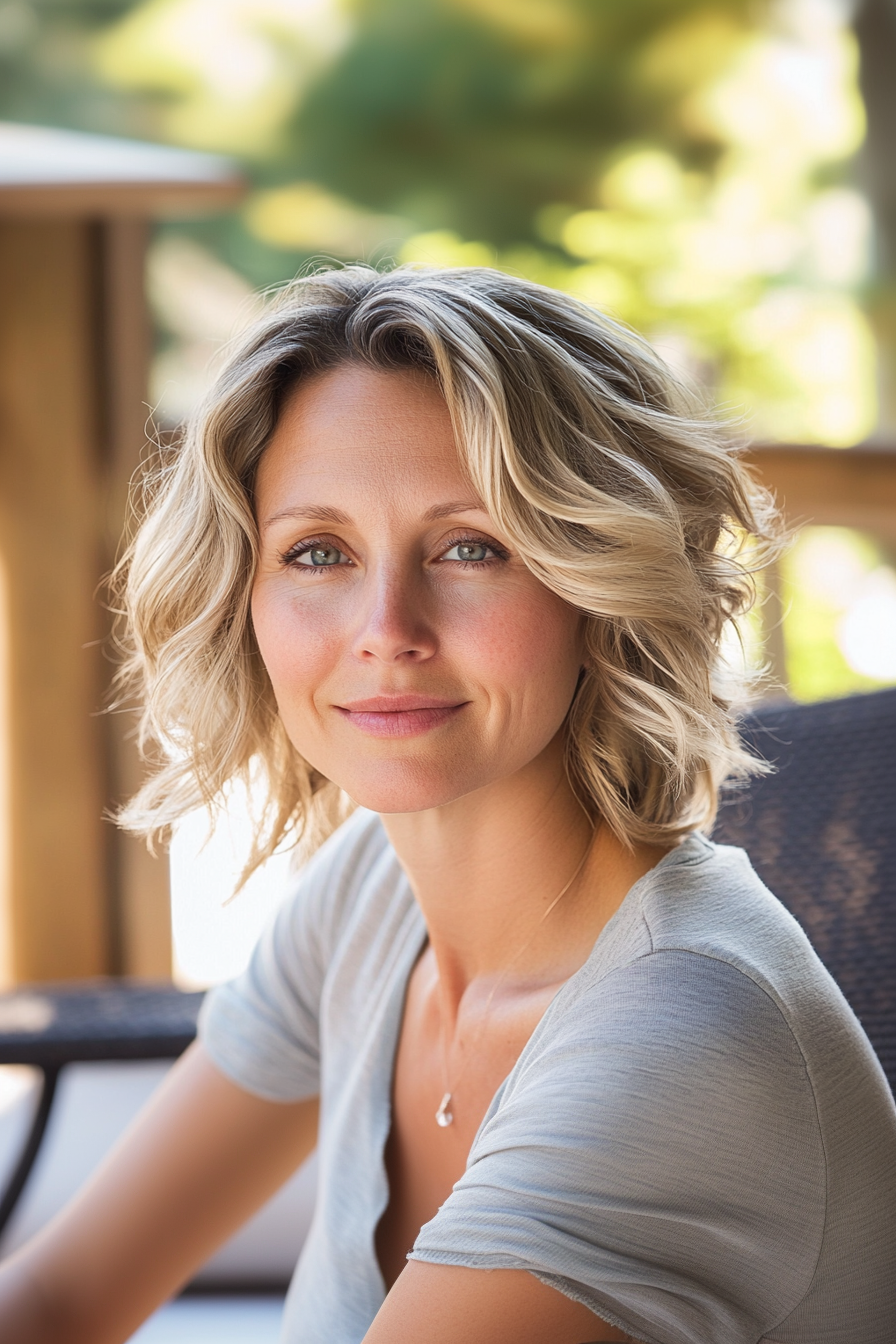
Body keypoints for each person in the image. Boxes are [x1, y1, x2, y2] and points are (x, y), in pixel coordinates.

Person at [0, 265, 893, 1344]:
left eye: (471, 547)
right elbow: (57, 1298)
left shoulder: (676, 1046)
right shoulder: (372, 897)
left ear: (594, 580)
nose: (385, 626)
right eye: (316, 552)